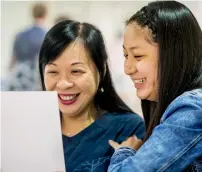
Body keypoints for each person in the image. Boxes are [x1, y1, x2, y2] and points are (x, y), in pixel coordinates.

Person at [38, 20, 145, 172]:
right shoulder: (32, 129)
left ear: (101, 71)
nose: (63, 84)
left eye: (76, 71)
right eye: (53, 72)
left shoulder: (128, 130)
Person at [108, 1, 202, 171]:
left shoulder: (192, 110)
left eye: (137, 56)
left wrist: (124, 151)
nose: (127, 68)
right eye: (125, 55)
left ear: (173, 56)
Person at [6, 3, 47, 91]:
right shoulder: (45, 36)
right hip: (35, 80)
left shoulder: (20, 34)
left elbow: (13, 60)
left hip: (19, 77)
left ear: (32, 14)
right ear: (45, 15)